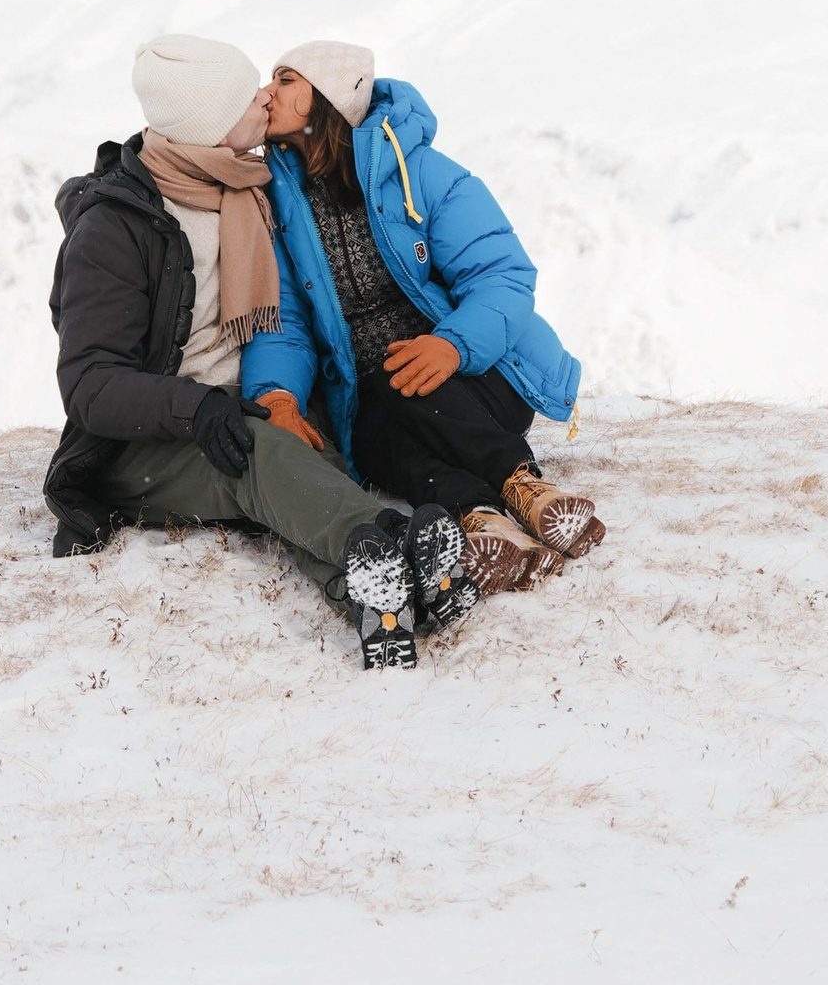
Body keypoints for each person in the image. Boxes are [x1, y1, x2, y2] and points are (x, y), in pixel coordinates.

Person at [42, 32, 479, 656]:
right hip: (145, 443)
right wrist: (198, 409)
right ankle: (395, 539)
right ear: (211, 123)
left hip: (242, 408)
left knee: (300, 461)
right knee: (261, 456)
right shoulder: (114, 227)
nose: (264, 100)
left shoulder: (252, 187)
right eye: (248, 95)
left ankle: (384, 604)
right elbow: (88, 385)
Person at [244, 42, 606, 599]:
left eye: (286, 79)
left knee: (402, 382)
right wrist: (278, 396)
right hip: (380, 402)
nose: (268, 92)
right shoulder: (283, 203)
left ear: (329, 99)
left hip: (479, 379)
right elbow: (285, 317)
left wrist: (452, 346)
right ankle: (487, 521)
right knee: (369, 434)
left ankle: (523, 484)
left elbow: (502, 277)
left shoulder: (427, 174)